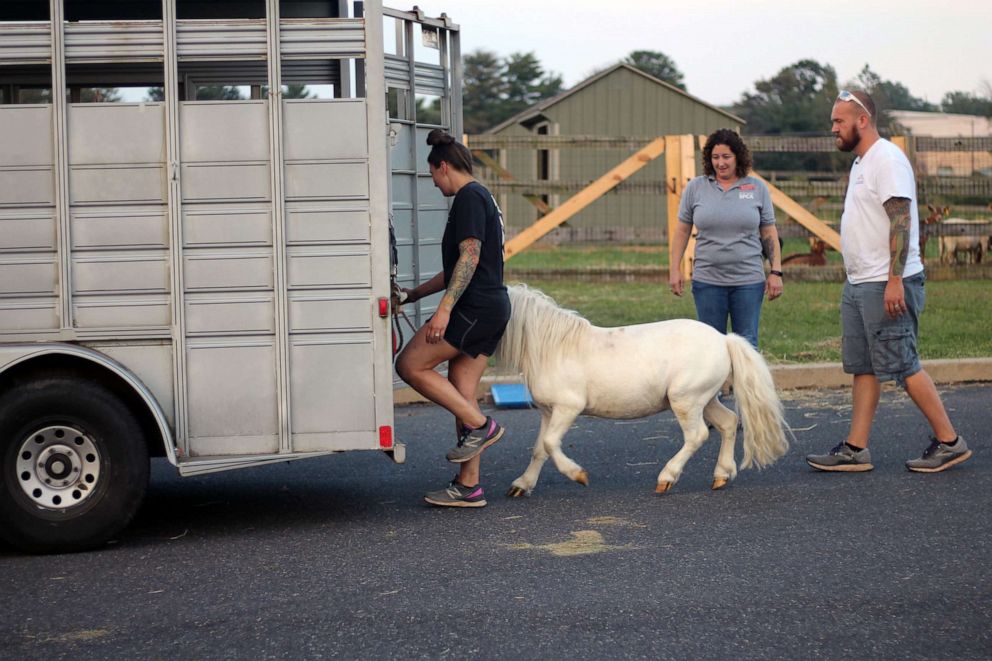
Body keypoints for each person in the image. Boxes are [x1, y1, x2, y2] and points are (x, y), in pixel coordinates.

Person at [806, 90, 971, 473]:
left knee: (903, 364)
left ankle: (950, 441)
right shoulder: (862, 162)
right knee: (864, 366)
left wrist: (895, 279)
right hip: (862, 282)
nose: (833, 128)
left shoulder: (887, 159)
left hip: (887, 282)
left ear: (862, 120)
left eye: (839, 121)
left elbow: (901, 218)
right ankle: (855, 449)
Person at [395, 129, 510, 507]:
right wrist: (415, 295)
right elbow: (455, 267)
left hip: (475, 309)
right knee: (462, 391)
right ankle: (468, 487)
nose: (434, 184)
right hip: (489, 307)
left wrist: (444, 309)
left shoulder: (468, 197)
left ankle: (483, 426)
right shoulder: (481, 198)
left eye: (432, 176)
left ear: (443, 167)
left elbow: (471, 256)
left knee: (410, 365)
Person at [669, 129, 783, 349]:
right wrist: (675, 269)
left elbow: (769, 232)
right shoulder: (696, 188)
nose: (720, 163)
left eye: (726, 157)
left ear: (738, 157)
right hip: (708, 281)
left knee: (747, 344)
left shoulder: (757, 188)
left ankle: (745, 385)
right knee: (711, 347)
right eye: (715, 157)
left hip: (748, 281)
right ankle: (717, 386)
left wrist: (776, 272)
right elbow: (682, 231)